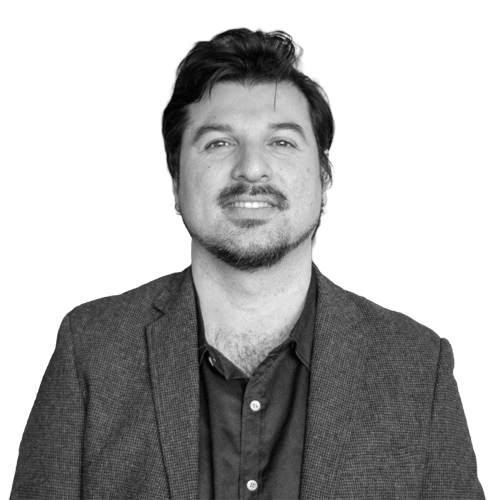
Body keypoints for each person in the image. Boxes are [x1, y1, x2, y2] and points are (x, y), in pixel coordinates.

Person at [10, 28, 484, 500]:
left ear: (324, 181)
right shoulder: (91, 353)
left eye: (282, 142)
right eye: (219, 143)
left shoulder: (418, 368)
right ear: (175, 183)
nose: (252, 168)